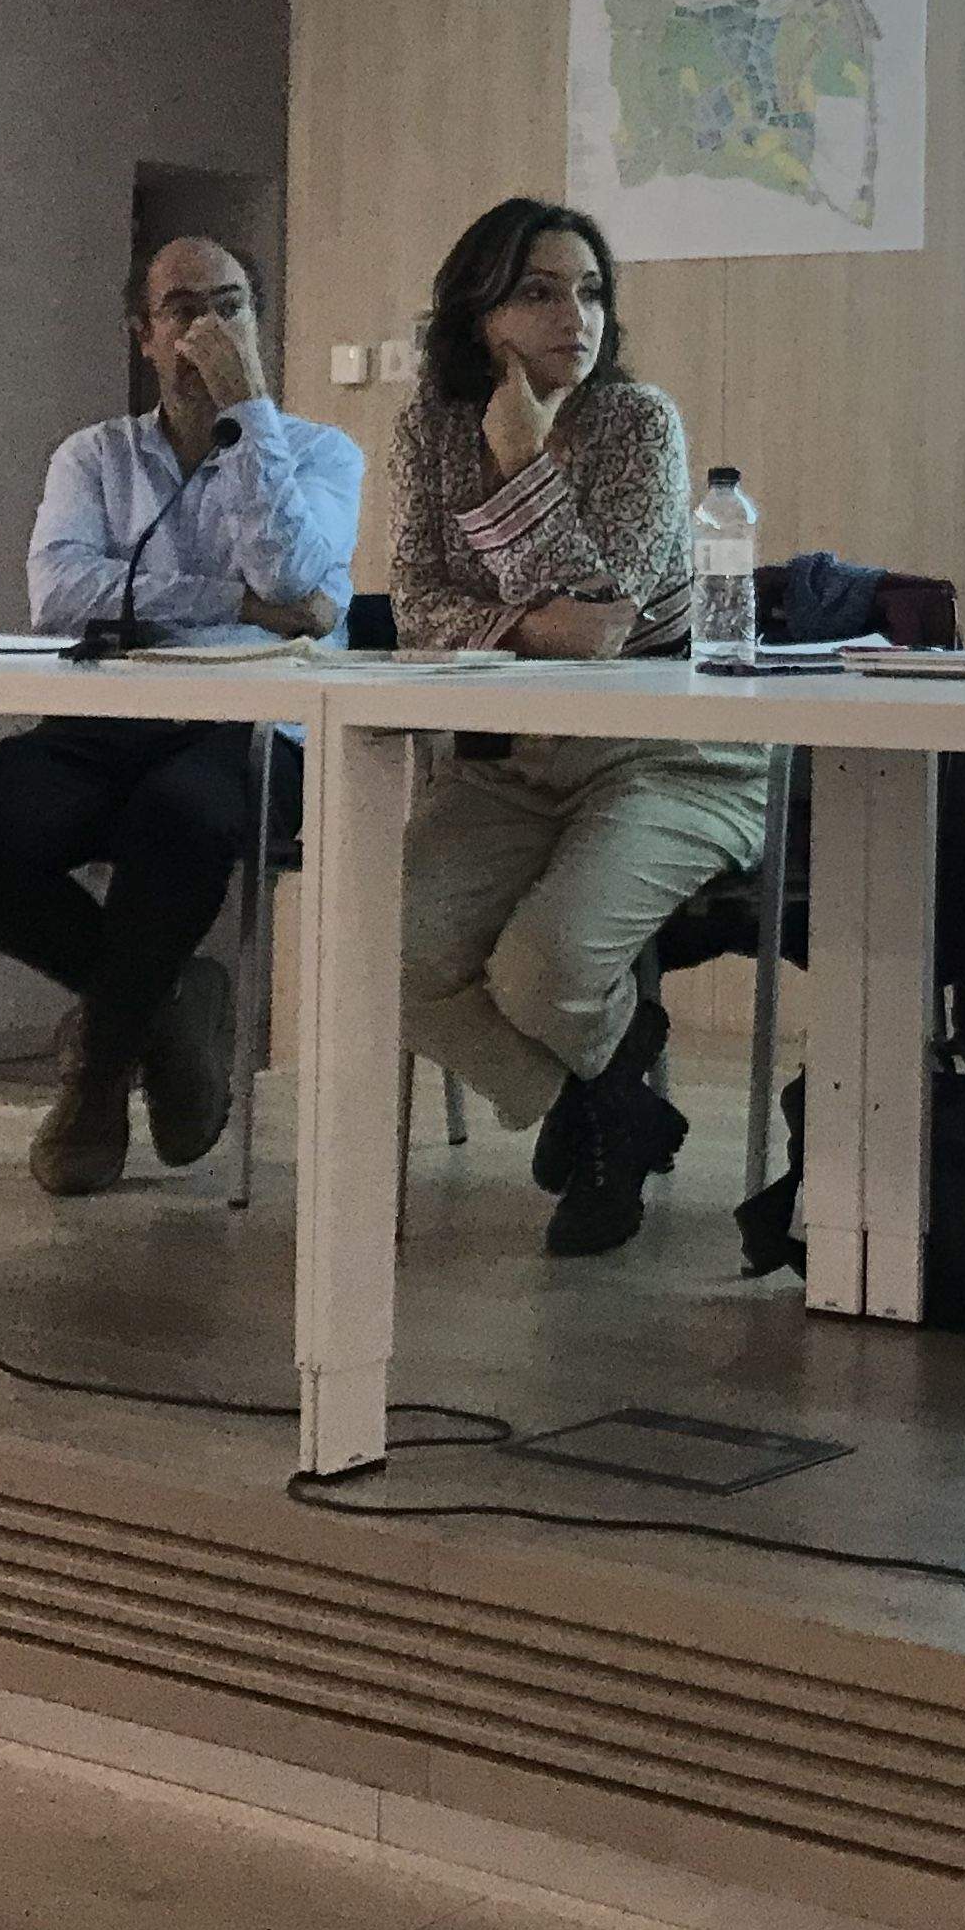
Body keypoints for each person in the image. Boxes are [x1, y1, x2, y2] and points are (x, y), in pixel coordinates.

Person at [0, 236, 362, 1197]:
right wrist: (234, 605)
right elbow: (62, 591)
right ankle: (164, 1007)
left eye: (233, 307)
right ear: (144, 336)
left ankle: (100, 1073)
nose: (209, 328)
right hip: (110, 714)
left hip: (260, 725)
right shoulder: (95, 455)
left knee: (182, 816)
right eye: (185, 309)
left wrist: (247, 416)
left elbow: (293, 572)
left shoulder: (325, 455)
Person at [391, 198, 770, 1258]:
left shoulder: (636, 421)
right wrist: (536, 626)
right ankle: (606, 1106)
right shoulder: (427, 425)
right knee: (382, 951)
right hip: (515, 762)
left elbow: (609, 617)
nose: (577, 316)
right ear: (478, 315)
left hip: (674, 761)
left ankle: (602, 1098)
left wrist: (521, 469)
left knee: (538, 969)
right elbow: (416, 605)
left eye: (591, 291)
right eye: (540, 291)